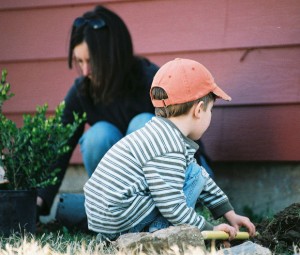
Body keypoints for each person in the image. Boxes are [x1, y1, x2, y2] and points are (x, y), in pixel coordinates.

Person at [37, 5, 214, 228]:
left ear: (112, 55)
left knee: (143, 123)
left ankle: (163, 213)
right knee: (98, 136)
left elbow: (188, 137)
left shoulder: (151, 81)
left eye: (91, 62)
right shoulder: (82, 91)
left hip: (173, 186)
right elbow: (58, 150)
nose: (85, 71)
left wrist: (203, 189)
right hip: (125, 195)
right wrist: (38, 200)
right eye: (79, 61)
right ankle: (119, 213)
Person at [84, 58, 256, 241]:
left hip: (106, 217)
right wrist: (208, 229)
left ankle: (113, 238)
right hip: (121, 215)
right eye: (210, 110)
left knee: (193, 171)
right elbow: (172, 205)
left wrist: (230, 214)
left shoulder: (159, 132)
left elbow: (198, 177)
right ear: (198, 110)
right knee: (193, 176)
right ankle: (158, 234)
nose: (210, 116)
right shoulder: (168, 147)